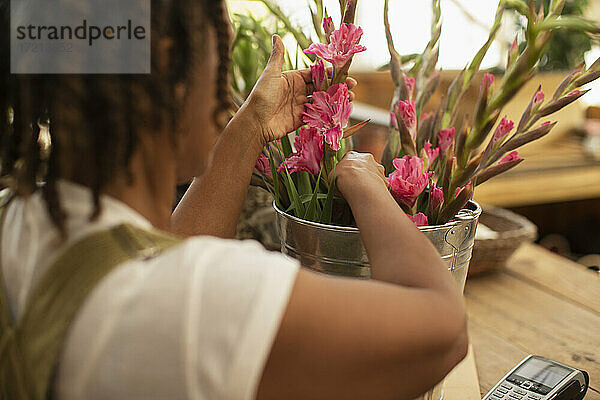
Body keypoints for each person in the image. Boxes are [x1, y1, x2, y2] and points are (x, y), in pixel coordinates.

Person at [0, 0, 468, 398]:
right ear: (171, 67)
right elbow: (443, 331)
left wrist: (252, 125)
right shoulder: (194, 304)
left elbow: (154, 258)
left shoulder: (19, 222)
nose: (224, 86)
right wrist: (366, 181)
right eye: (219, 52)